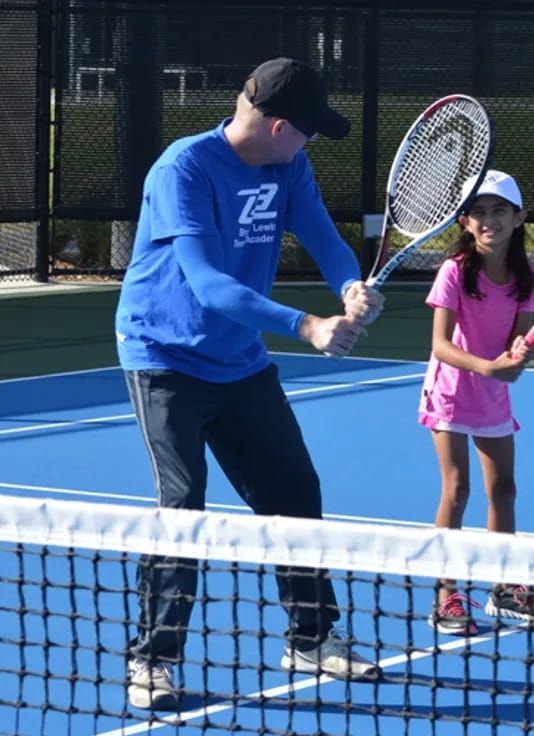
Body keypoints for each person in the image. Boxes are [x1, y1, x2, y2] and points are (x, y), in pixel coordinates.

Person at [114, 57, 385, 710]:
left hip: (240, 363)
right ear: (281, 124)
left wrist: (349, 285)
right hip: (163, 358)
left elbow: (322, 235)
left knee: (295, 490)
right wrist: (308, 325)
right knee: (183, 507)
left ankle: (311, 637)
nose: (312, 142)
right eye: (309, 131)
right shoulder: (185, 167)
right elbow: (207, 285)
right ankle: (153, 659)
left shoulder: (290, 164)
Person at [418, 170, 534, 636]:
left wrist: (522, 350)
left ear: (518, 218)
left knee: (504, 491)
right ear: (464, 221)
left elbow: (518, 336)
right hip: (451, 391)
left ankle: (506, 587)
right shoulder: (455, 272)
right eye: (478, 212)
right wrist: (486, 366)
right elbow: (440, 345)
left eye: (499, 210)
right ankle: (447, 594)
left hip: (492, 396)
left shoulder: (529, 277)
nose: (489, 220)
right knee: (457, 489)